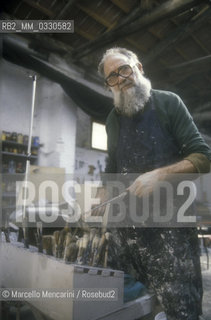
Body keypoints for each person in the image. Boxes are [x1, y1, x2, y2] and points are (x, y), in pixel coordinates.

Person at [97, 47, 211, 320]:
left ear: (138, 66)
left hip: (170, 231)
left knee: (180, 309)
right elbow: (112, 166)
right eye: (112, 77)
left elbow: (203, 157)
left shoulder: (168, 103)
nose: (120, 79)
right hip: (129, 232)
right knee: (129, 308)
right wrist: (103, 195)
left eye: (124, 69)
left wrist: (159, 175)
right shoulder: (113, 119)